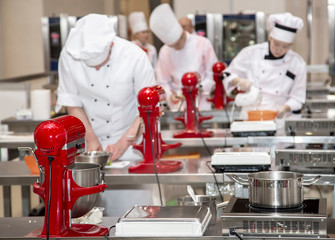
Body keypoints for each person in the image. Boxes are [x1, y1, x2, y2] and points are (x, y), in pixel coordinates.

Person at [55, 14, 156, 216]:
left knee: (134, 216)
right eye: (91, 65)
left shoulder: (135, 56)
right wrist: (91, 138)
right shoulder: (69, 55)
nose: (98, 68)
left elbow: (148, 109)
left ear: (111, 45)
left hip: (130, 145)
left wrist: (124, 142)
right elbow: (72, 103)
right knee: (89, 217)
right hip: (88, 146)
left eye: (101, 62)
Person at [223, 12, 306, 119]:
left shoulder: (297, 63)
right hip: (250, 115)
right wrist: (238, 81)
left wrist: (285, 108)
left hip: (278, 118)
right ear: (270, 38)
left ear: (291, 45)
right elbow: (226, 74)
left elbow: (298, 98)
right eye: (276, 44)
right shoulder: (251, 53)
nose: (279, 49)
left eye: (285, 46)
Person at [150, 4, 218, 111]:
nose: (175, 48)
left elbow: (212, 74)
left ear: (182, 34)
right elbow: (162, 80)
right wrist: (170, 95)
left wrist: (199, 88)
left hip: (202, 103)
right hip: (178, 105)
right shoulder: (165, 50)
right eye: (172, 46)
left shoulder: (203, 43)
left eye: (177, 44)